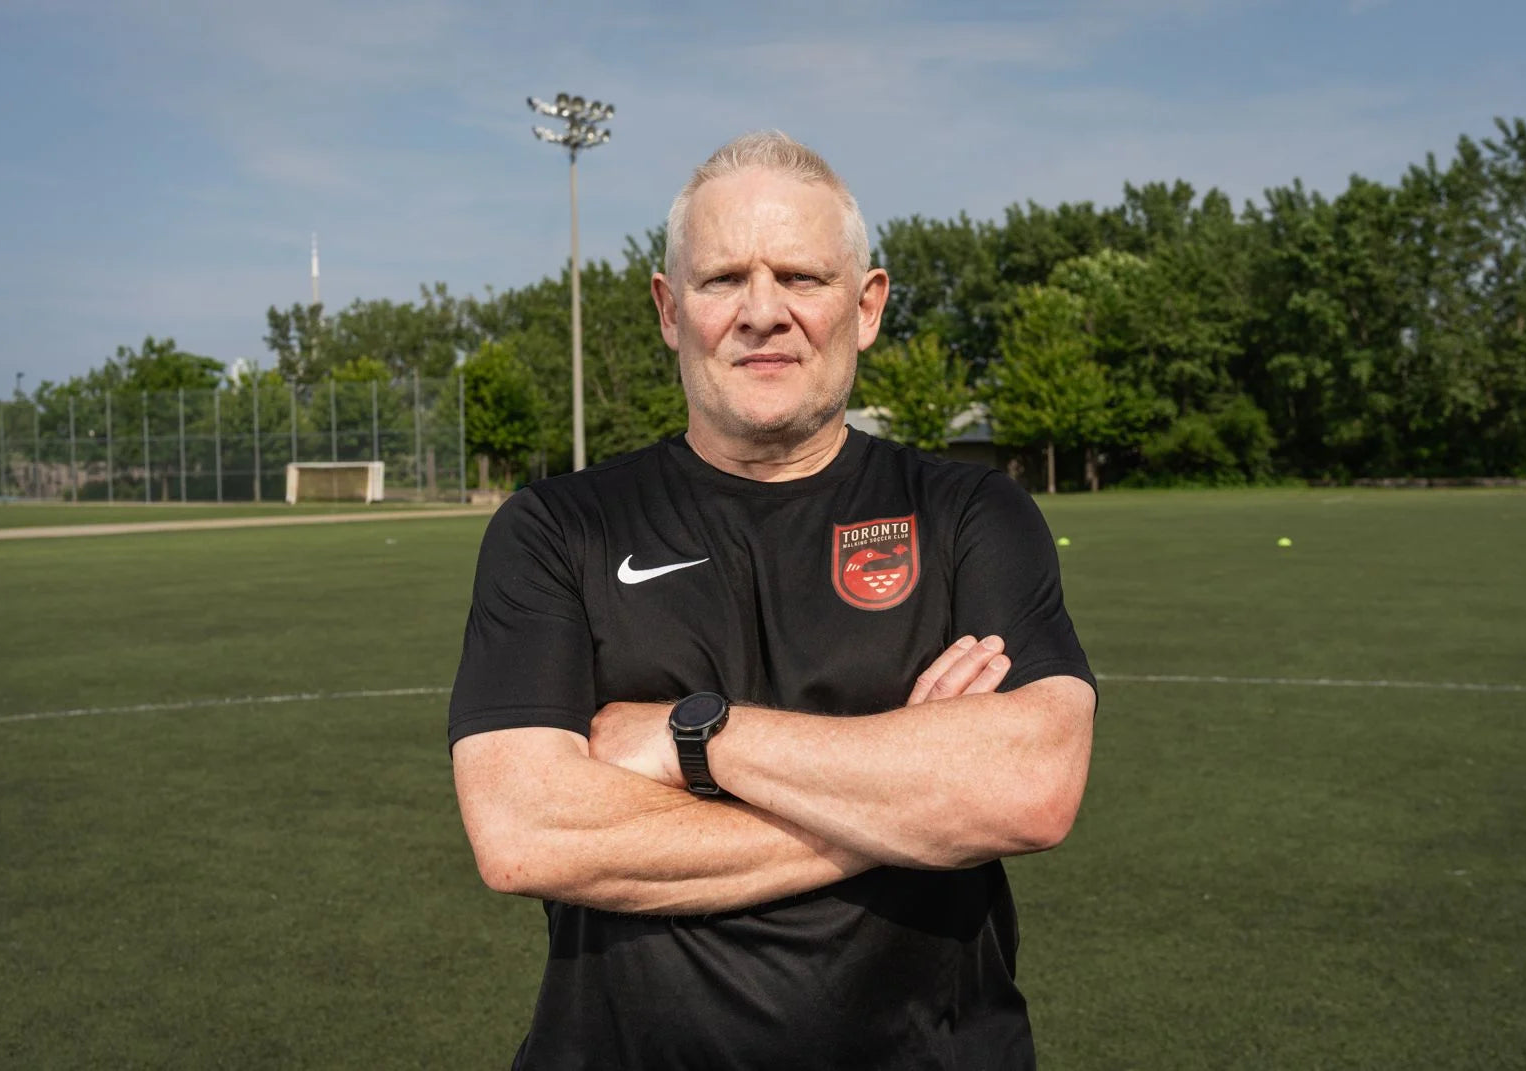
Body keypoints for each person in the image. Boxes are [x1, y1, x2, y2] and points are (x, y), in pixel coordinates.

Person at [449, 131, 1096, 1070]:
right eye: (722, 280)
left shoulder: (968, 513)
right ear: (670, 310)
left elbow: (1030, 787)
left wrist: (690, 736)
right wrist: (912, 806)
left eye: (800, 275)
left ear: (866, 305)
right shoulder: (556, 527)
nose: (763, 312)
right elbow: (525, 832)